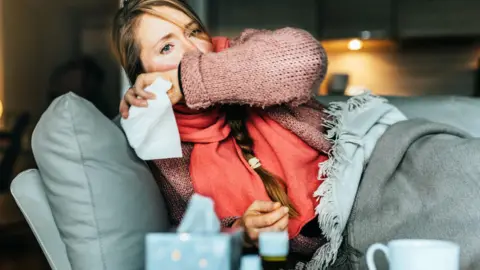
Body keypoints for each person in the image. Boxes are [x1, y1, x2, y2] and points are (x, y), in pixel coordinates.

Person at [111, 0, 331, 267]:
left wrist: (183, 79)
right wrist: (242, 230)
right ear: (142, 75)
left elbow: (306, 59)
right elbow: (189, 232)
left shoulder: (241, 52)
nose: (195, 51)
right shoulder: (159, 141)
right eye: (167, 47)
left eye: (193, 32)